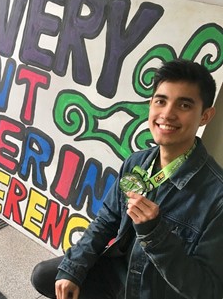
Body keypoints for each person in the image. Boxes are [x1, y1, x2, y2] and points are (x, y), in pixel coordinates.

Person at [31, 59, 223, 299]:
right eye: (160, 101)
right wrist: (74, 269)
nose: (167, 114)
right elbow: (107, 220)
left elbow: (208, 291)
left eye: (184, 105)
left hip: (156, 290)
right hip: (119, 271)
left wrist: (156, 236)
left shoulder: (217, 197)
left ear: (205, 115)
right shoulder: (136, 163)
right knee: (45, 276)